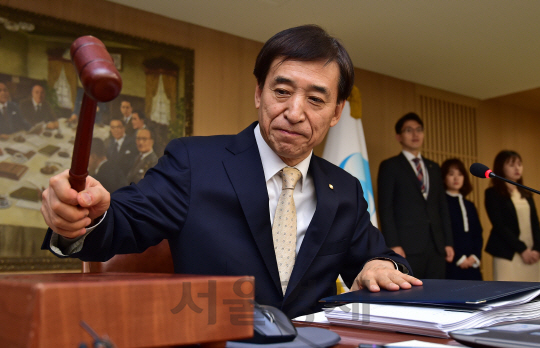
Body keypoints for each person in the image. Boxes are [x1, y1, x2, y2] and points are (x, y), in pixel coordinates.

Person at [40, 25, 421, 318]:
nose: (294, 111)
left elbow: (384, 258)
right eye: (282, 91)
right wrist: (83, 215)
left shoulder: (345, 190)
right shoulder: (194, 162)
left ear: (337, 112)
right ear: (259, 93)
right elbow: (119, 222)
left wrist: (381, 264)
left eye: (316, 99)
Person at [377, 112, 454, 279]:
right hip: (407, 247)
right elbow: (386, 208)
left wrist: (448, 242)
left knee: (437, 295)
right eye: (409, 130)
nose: (415, 134)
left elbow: (442, 207)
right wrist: (393, 244)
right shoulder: (390, 166)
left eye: (419, 129)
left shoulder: (434, 167)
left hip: (436, 246)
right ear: (399, 136)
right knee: (412, 296)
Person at [485, 150, 540, 281]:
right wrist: (522, 249)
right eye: (511, 164)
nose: (517, 168)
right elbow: (500, 225)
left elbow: (535, 224)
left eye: (519, 164)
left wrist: (537, 249)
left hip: (533, 255)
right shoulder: (493, 194)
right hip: (508, 254)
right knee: (509, 294)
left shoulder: (527, 194)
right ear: (500, 167)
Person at [441, 158, 483, 280]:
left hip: (472, 263)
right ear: (443, 177)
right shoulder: (441, 204)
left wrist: (475, 256)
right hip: (451, 263)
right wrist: (460, 258)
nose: (456, 178)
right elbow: (442, 234)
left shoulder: (469, 205)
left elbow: (477, 233)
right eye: (451, 174)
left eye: (460, 174)